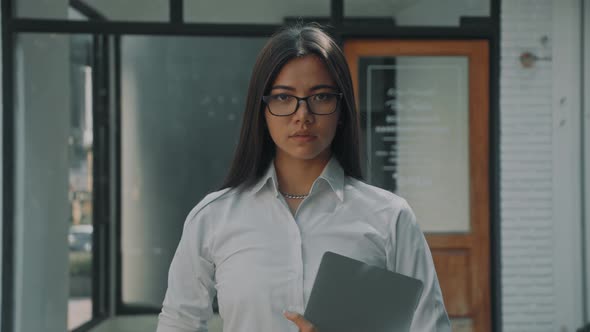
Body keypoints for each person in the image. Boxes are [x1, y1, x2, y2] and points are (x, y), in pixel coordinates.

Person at [156, 23, 451, 332]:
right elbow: (180, 324)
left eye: (321, 97)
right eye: (284, 98)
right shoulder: (212, 217)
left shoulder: (389, 218)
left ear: (342, 110)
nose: (302, 115)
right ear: (262, 110)